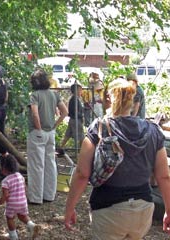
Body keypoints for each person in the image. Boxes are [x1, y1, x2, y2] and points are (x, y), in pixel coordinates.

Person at [64, 78, 170, 239]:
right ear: (134, 101)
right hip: (143, 209)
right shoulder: (153, 131)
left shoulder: (99, 128)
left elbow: (82, 173)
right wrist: (168, 210)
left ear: (108, 99)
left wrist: (70, 207)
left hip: (108, 209)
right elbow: (164, 176)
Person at [27, 69, 68, 204]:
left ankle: (36, 197)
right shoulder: (54, 94)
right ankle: (49, 195)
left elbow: (35, 113)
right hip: (50, 133)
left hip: (38, 132)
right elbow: (65, 112)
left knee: (36, 165)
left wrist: (38, 129)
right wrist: (54, 125)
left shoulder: (34, 95)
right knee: (50, 164)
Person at [0, 154, 41, 240]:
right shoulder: (20, 176)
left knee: (10, 218)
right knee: (23, 216)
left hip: (12, 204)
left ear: (4, 168)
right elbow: (25, 188)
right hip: (23, 201)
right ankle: (32, 225)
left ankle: (13, 236)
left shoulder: (5, 181)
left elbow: (5, 196)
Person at [59, 83, 84, 151]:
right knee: (81, 136)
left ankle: (60, 147)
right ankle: (80, 151)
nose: (81, 92)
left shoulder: (76, 99)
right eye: (80, 90)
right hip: (76, 120)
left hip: (73, 119)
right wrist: (81, 116)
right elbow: (74, 111)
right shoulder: (74, 100)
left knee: (68, 135)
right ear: (77, 91)